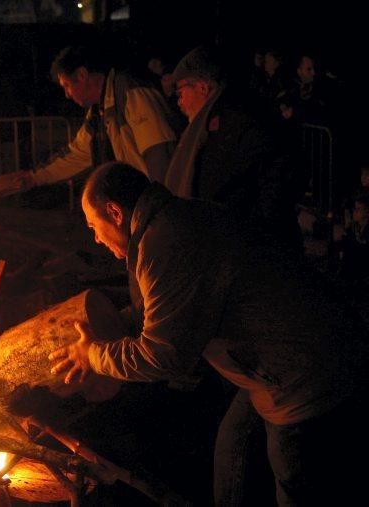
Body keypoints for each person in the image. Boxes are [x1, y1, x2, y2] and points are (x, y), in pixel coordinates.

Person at [49, 162, 368, 506]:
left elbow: (164, 356)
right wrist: (111, 327)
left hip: (304, 375)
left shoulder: (166, 243)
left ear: (114, 212)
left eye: (94, 226)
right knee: (234, 446)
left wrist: (94, 356)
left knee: (296, 476)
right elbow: (165, 310)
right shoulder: (172, 220)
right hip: (279, 361)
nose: (95, 238)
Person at [164, 45, 303, 252]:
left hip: (249, 247)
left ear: (202, 87)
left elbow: (271, 179)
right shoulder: (210, 124)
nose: (179, 102)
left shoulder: (237, 120)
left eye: (181, 91)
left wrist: (253, 232)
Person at [28, 45, 178, 187]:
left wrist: (158, 205)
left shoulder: (130, 92)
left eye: (66, 85)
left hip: (155, 203)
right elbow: (76, 155)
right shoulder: (98, 112)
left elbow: (160, 153)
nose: (67, 95)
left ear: (81, 75)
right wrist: (31, 178)